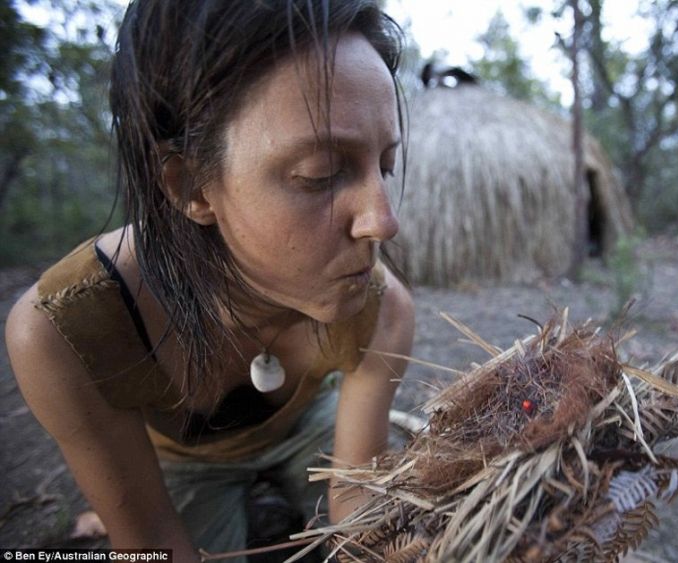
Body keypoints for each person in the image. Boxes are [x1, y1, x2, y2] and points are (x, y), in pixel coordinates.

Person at [4, 1, 414, 561]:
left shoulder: (379, 309)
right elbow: (149, 542)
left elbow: (356, 501)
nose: (383, 222)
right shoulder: (68, 335)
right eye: (319, 174)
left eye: (384, 166)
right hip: (179, 459)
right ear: (191, 185)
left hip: (309, 427)